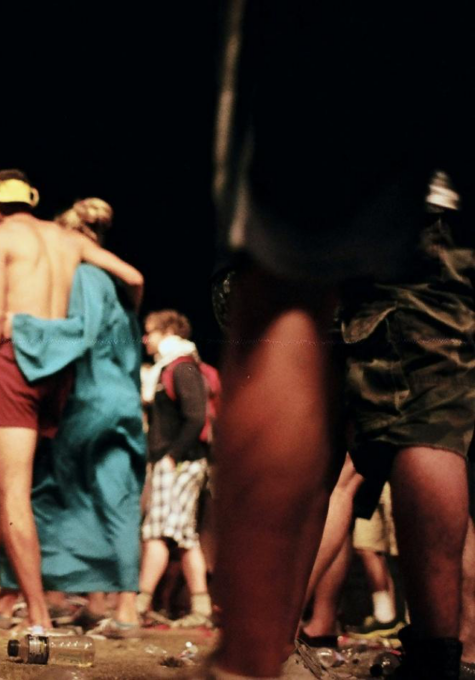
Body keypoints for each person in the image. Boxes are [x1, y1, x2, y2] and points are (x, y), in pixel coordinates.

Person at [208, 1, 472, 675]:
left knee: (282, 316)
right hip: (447, 211)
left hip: (334, 106)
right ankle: (437, 659)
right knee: (432, 424)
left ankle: (253, 657)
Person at [0, 170, 143, 630]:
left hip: (17, 362)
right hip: (60, 370)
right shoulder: (66, 238)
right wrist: (121, 318)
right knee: (0, 487)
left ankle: (38, 616)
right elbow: (133, 277)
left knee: (13, 492)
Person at [0, 197, 148, 637]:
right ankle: (122, 609)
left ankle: (16, 599)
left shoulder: (82, 277)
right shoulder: (119, 290)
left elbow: (79, 333)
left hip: (88, 398)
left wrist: (17, 324)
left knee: (41, 493)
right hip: (123, 399)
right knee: (117, 500)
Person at [138, 310, 213, 628]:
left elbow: (196, 416)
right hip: (172, 462)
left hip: (181, 463)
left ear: (168, 332)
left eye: (151, 332)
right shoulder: (167, 368)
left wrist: (172, 456)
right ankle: (201, 607)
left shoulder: (182, 367)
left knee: (158, 533)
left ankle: (139, 604)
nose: (145, 339)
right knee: (183, 536)